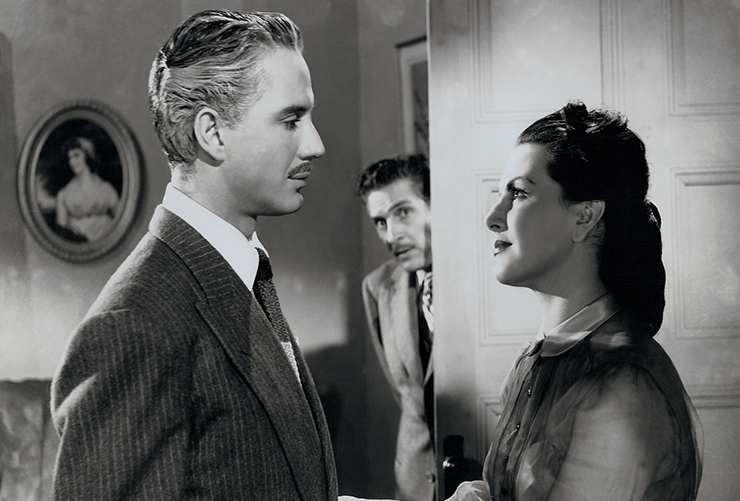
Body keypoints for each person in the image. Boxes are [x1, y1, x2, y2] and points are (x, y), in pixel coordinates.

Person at [51, 10, 338, 500]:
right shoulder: (135, 324)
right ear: (213, 133)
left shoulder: (239, 272)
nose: (316, 145)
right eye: (291, 120)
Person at [449, 101, 702, 500]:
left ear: (584, 217)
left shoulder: (623, 383)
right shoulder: (537, 361)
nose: (493, 217)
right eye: (501, 194)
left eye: (518, 193)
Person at [356, 154, 436, 501]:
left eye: (403, 212)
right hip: (415, 481)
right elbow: (405, 393)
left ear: (435, 206)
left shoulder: (485, 274)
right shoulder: (378, 287)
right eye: (380, 222)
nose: (391, 235)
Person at [55, 136, 119, 241]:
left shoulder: (106, 189)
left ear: (87, 155)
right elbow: (62, 230)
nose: (72, 161)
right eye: (69, 158)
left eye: (76, 155)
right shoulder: (64, 194)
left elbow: (121, 219)